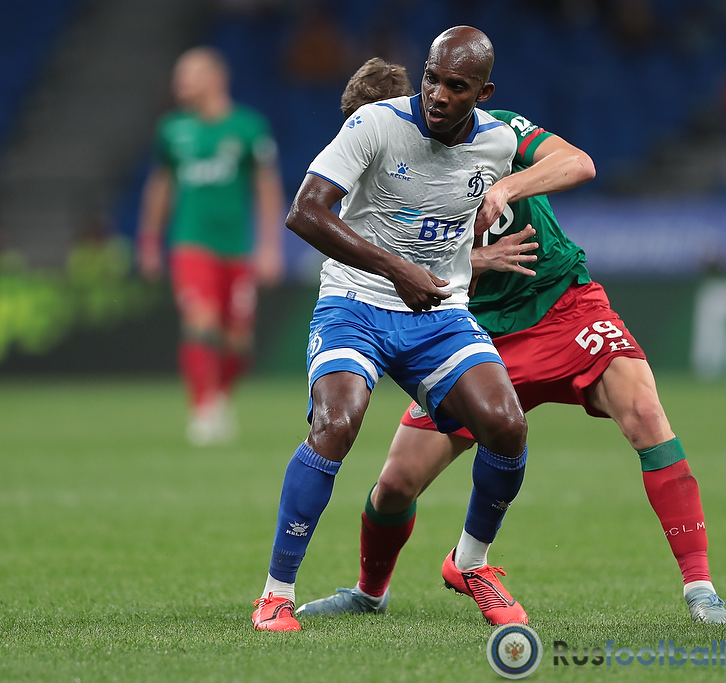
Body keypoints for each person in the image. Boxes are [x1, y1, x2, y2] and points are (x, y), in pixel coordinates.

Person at [296, 58, 726, 625]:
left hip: (562, 307)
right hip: (474, 334)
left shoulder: (497, 132)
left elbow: (578, 163)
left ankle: (701, 588)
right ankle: (369, 592)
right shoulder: (380, 185)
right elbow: (400, 269)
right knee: (397, 483)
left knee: (645, 412)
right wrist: (475, 260)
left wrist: (507, 186)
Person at [252, 27, 531, 632]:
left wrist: (507, 198)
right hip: (356, 302)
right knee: (337, 422)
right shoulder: (376, 123)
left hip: (439, 314)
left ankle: (471, 562)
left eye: (455, 86)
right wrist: (396, 268)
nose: (437, 94)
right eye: (431, 78)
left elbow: (574, 162)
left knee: (507, 425)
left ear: (483, 93)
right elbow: (304, 212)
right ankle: (275, 594)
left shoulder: (499, 142)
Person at [137, 47, 285, 445]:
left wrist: (270, 247)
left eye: (188, 75)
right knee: (201, 321)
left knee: (240, 344)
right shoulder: (172, 130)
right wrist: (149, 240)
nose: (179, 84)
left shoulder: (249, 128)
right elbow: (160, 187)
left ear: (216, 78)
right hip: (190, 243)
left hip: (236, 248)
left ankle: (218, 398)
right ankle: (202, 410)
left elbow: (267, 190)